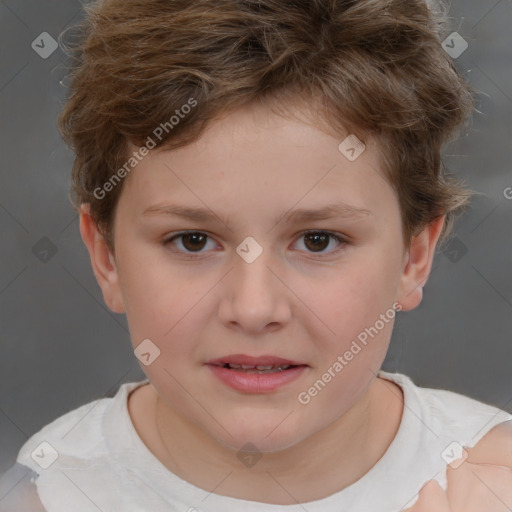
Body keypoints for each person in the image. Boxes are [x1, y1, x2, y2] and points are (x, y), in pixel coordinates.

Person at [1, 0, 511, 510]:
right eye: (192, 240)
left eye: (318, 240)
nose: (253, 309)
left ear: (412, 256)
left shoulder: (495, 479)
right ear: (106, 257)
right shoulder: (44, 496)